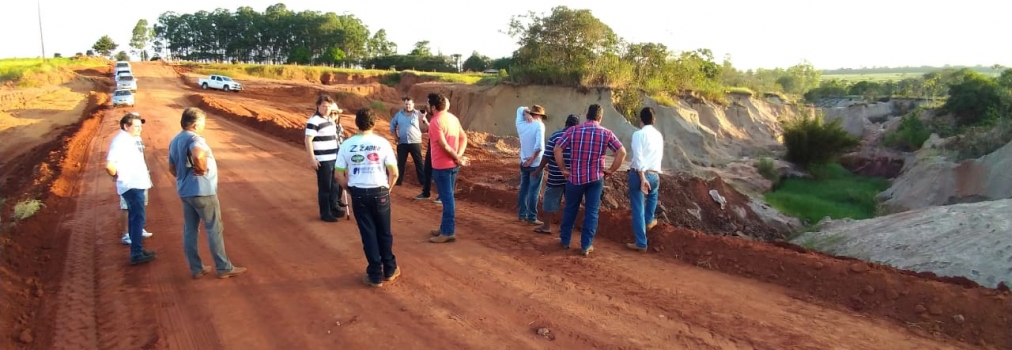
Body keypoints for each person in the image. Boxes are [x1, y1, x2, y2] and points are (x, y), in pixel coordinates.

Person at [168, 107, 247, 279]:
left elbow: (171, 168)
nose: (204, 126)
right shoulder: (195, 138)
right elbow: (197, 153)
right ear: (195, 125)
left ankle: (196, 268)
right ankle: (223, 267)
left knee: (190, 229)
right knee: (214, 228)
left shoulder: (175, 140)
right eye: (203, 123)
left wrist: (184, 177)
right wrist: (201, 169)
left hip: (185, 191)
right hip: (202, 191)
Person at [335, 108, 401, 287]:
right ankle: (389, 269)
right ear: (374, 123)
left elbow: (338, 175)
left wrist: (348, 189)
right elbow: (394, 173)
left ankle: (375, 274)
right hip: (380, 191)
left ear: (357, 123)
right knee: (384, 232)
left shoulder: (347, 145)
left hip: (359, 193)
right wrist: (388, 189)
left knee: (368, 234)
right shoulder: (382, 143)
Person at [555, 104, 627, 256]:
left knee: (570, 209)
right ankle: (586, 245)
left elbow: (557, 149)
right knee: (592, 212)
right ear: (600, 118)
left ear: (587, 116)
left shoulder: (573, 130)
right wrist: (611, 170)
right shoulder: (606, 133)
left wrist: (563, 169)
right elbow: (622, 152)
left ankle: (565, 240)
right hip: (595, 178)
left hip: (575, 178)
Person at [105, 112, 156, 265]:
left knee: (136, 219)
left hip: (137, 184)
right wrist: (117, 177)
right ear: (126, 126)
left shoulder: (132, 139)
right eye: (136, 126)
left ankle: (137, 249)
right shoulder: (120, 141)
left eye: (141, 126)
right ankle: (136, 253)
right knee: (137, 219)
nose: (140, 129)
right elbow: (109, 165)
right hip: (131, 185)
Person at [427, 93, 469, 243]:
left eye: (428, 105)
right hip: (453, 165)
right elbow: (464, 137)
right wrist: (459, 156)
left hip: (442, 166)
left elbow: (443, 145)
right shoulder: (453, 119)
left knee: (447, 198)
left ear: (433, 107)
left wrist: (457, 157)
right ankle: (444, 227)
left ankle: (448, 232)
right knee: (447, 197)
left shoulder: (435, 121)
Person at [533, 114, 580, 234]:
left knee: (549, 199)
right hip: (572, 177)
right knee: (571, 203)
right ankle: (566, 229)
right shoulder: (579, 137)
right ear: (577, 125)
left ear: (566, 123)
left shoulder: (556, 135)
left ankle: (546, 227)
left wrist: (538, 170)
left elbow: (547, 155)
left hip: (556, 175)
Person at [626, 107, 664, 252]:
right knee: (653, 195)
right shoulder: (658, 135)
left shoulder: (638, 134)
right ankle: (649, 221)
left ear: (640, 119)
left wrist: (642, 178)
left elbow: (638, 157)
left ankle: (641, 243)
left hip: (639, 175)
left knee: (638, 209)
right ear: (654, 120)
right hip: (655, 175)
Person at [305, 95, 347, 222]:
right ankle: (325, 213)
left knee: (335, 185)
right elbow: (308, 140)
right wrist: (312, 159)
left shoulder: (330, 120)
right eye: (324, 106)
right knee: (325, 187)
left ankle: (333, 207)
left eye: (329, 106)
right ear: (318, 106)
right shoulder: (313, 121)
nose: (326, 108)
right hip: (323, 159)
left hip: (334, 157)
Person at [515, 105, 547, 225]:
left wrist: (525, 112)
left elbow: (519, 109)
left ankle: (522, 214)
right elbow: (539, 146)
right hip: (535, 163)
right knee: (533, 191)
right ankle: (532, 217)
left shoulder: (521, 124)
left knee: (523, 189)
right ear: (538, 115)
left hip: (523, 162)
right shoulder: (539, 125)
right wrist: (532, 159)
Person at [390, 97, 426, 187]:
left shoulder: (418, 114)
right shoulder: (399, 114)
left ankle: (423, 181)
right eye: (406, 104)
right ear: (404, 104)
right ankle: (398, 181)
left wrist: (423, 119)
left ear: (413, 105)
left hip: (415, 142)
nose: (408, 106)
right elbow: (392, 125)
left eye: (409, 104)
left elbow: (425, 126)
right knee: (400, 163)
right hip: (402, 142)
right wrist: (395, 137)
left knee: (418, 162)